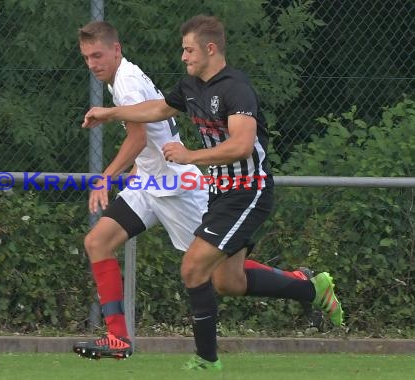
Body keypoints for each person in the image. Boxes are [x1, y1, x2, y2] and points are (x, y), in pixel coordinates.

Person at [81, 16, 343, 370]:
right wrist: (113, 119)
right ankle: (119, 338)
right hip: (162, 184)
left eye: (188, 50)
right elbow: (157, 112)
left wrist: (112, 175)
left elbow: (236, 144)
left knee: (209, 272)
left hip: (203, 189)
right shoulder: (188, 85)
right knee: (104, 243)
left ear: (210, 49)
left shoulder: (233, 89)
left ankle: (216, 353)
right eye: (87, 58)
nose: (183, 56)